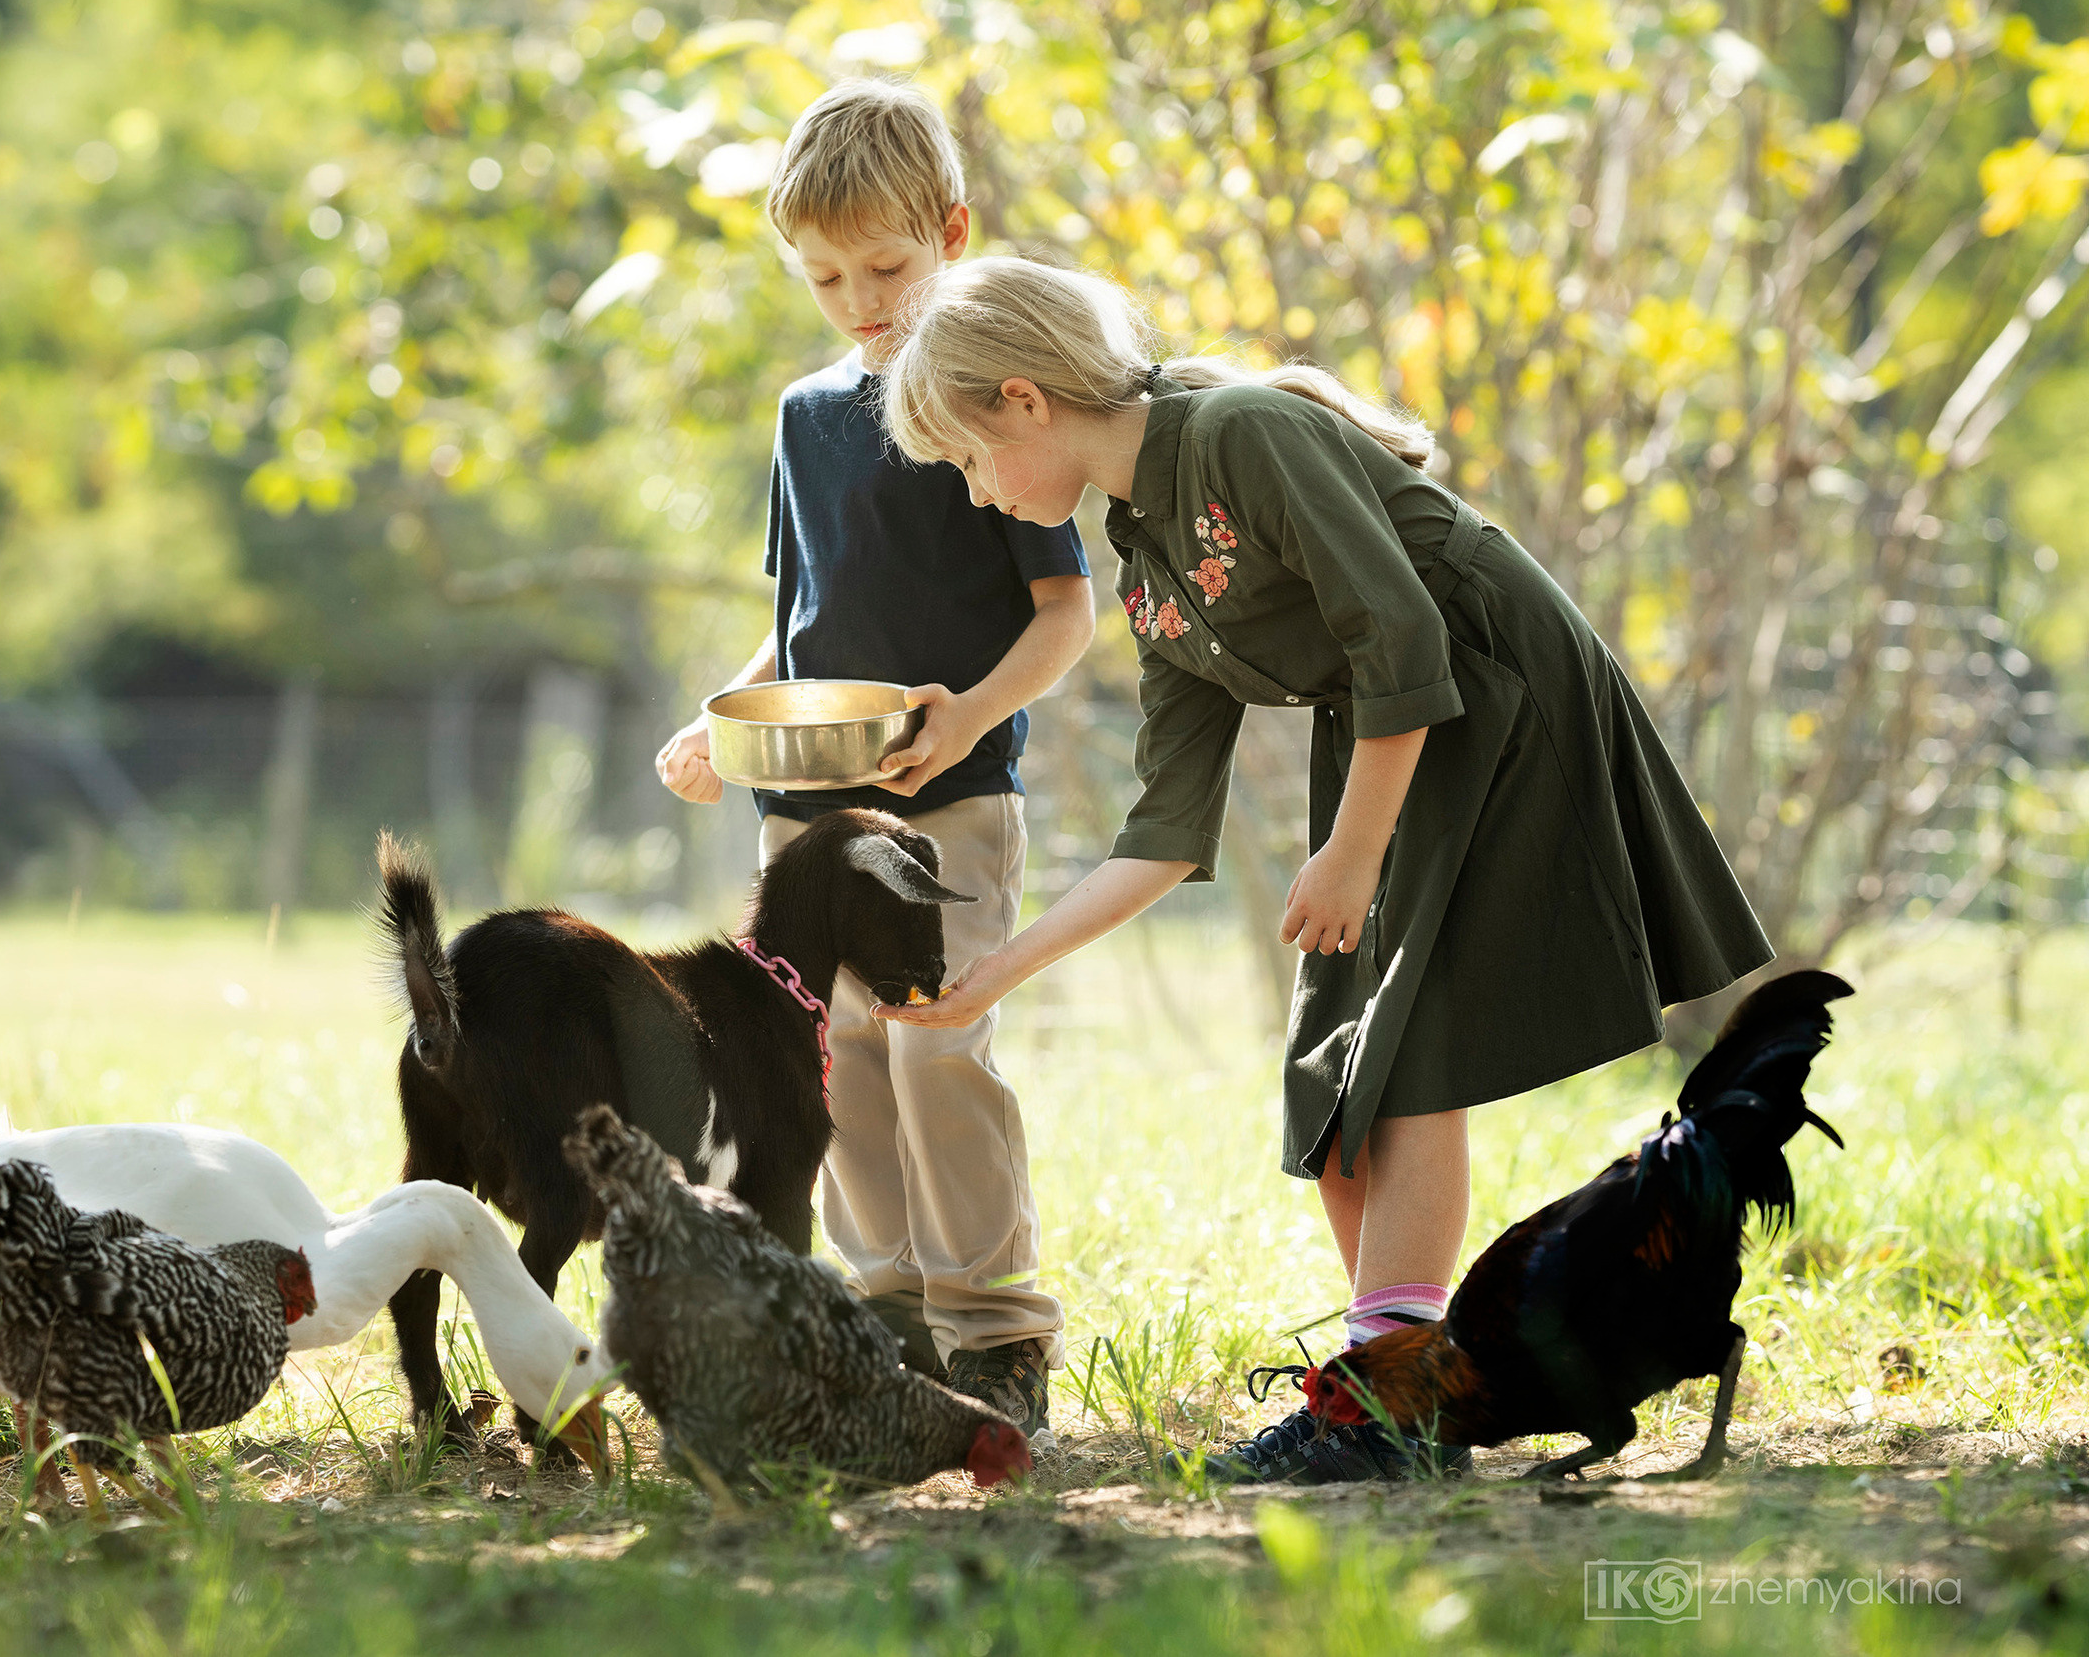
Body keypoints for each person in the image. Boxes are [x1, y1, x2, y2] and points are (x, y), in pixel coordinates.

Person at [870, 255, 1774, 1484]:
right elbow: (1166, 826)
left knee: (1405, 1052)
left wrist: (1350, 853)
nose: (976, 494)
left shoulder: (1241, 432)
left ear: (1023, 401)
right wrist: (993, 975)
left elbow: (1402, 637)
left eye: (969, 462)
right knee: (1333, 1074)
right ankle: (1388, 1389)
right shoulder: (1147, 564)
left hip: (1492, 693)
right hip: (1393, 736)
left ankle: (1391, 1417)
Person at [653, 79, 1095, 1433]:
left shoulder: (993, 402)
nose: (860, 298)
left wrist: (967, 714)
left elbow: (1065, 615)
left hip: (945, 803)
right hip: (807, 813)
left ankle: (994, 1323)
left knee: (934, 1040)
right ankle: (888, 1306)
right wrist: (723, 717)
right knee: (828, 1047)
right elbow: (799, 625)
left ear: (953, 231)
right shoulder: (803, 418)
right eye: (827, 274)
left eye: (889, 267)